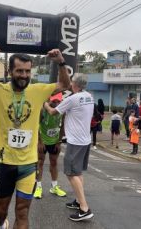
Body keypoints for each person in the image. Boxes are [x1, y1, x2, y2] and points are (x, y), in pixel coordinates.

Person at [0, 43, 70, 229]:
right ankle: (2, 224)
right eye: (19, 71)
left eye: (28, 71)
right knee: (0, 210)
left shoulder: (38, 90)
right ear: (10, 71)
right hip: (6, 162)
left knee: (22, 211)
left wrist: (60, 62)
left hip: (28, 163)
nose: (24, 75)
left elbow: (65, 84)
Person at [44, 74, 94, 222]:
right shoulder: (89, 96)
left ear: (75, 84)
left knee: (71, 173)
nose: (70, 84)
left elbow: (53, 112)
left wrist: (45, 103)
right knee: (77, 172)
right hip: (85, 140)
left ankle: (84, 208)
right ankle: (78, 201)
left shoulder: (73, 99)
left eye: (72, 82)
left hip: (76, 142)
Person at [34, 92, 66, 199]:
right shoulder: (42, 111)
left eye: (58, 101)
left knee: (54, 163)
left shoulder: (62, 111)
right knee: (40, 162)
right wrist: (40, 141)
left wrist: (59, 141)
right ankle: (38, 187)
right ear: (49, 100)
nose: (56, 103)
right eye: (54, 101)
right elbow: (36, 125)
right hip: (43, 141)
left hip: (54, 142)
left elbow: (63, 127)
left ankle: (54, 186)